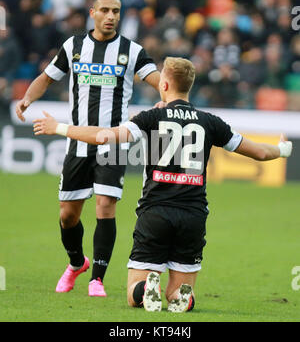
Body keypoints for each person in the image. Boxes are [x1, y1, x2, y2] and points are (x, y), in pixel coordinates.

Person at [32, 56, 293, 312]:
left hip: (155, 213)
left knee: (134, 291)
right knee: (177, 291)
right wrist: (282, 149)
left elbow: (103, 137)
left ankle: (145, 289)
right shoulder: (211, 122)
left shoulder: (150, 117)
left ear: (164, 85)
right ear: (189, 85)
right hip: (193, 215)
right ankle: (182, 297)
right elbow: (259, 153)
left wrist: (60, 128)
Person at [15, 0, 160, 297]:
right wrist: (28, 96)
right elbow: (48, 76)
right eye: (105, 10)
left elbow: (156, 78)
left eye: (116, 11)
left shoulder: (131, 51)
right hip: (77, 142)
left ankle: (97, 278)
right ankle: (76, 262)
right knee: (68, 215)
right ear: (92, 13)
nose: (111, 16)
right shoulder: (74, 46)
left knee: (105, 206)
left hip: (112, 142)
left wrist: (169, 96)